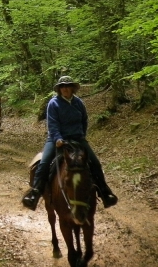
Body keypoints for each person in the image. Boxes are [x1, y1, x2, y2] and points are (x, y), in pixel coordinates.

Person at [22, 76, 118, 211]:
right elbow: (52, 123)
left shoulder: (79, 103)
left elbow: (84, 120)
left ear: (72, 88)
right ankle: (35, 193)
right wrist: (58, 138)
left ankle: (105, 192)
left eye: (67, 86)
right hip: (57, 140)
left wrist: (81, 135)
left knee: (95, 162)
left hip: (77, 139)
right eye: (62, 86)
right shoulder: (53, 103)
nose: (65, 89)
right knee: (44, 163)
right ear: (59, 89)